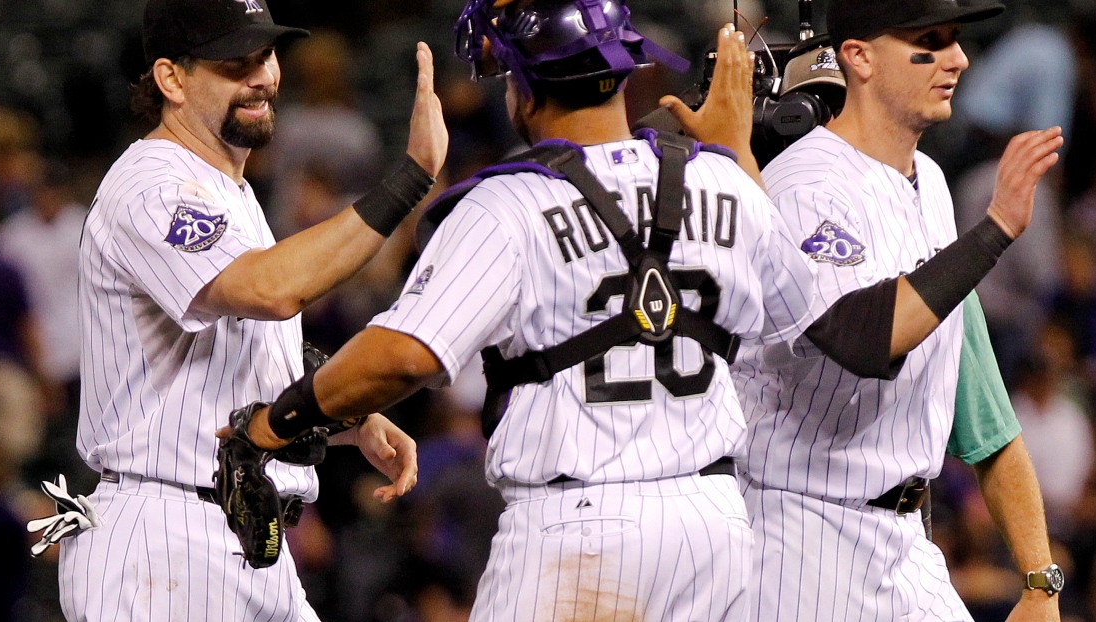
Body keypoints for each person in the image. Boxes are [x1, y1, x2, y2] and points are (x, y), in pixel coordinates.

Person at [225, 0, 821, 618]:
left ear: (524, 89)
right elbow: (796, 321)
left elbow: (404, 356)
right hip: (713, 524)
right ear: (623, 68)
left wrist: (273, 423)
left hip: (580, 531)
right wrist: (735, 156)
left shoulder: (507, 204)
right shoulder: (725, 184)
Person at [51, 0, 447, 619]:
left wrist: (345, 417)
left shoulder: (228, 191)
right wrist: (411, 177)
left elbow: (240, 354)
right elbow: (272, 289)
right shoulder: (154, 183)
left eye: (266, 55)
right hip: (165, 541)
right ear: (172, 79)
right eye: (235, 62)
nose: (262, 74)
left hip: (239, 535)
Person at [707, 0, 1065, 619]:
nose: (957, 59)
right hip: (802, 538)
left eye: (954, 40)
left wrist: (1040, 581)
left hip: (906, 544)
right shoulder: (806, 184)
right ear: (859, 57)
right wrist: (996, 229)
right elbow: (859, 337)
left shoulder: (929, 181)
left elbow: (982, 411)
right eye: (928, 41)